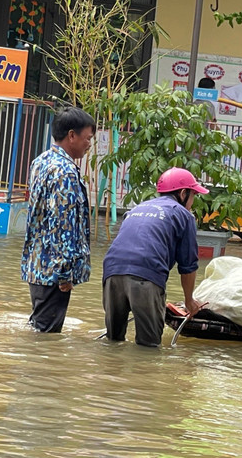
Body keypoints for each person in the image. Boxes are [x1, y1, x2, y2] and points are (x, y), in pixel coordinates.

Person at [102, 167, 208, 347]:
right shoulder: (184, 215)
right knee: (148, 348)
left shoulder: (137, 208)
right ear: (183, 193)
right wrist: (189, 301)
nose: (192, 202)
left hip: (111, 274)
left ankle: (110, 371)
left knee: (113, 342)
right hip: (146, 275)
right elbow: (188, 266)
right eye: (193, 196)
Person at [21, 106, 95, 333]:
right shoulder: (65, 172)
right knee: (46, 337)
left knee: (39, 328)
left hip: (37, 263)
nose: (89, 144)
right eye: (87, 138)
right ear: (71, 135)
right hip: (54, 271)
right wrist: (64, 273)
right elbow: (61, 224)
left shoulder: (41, 161)